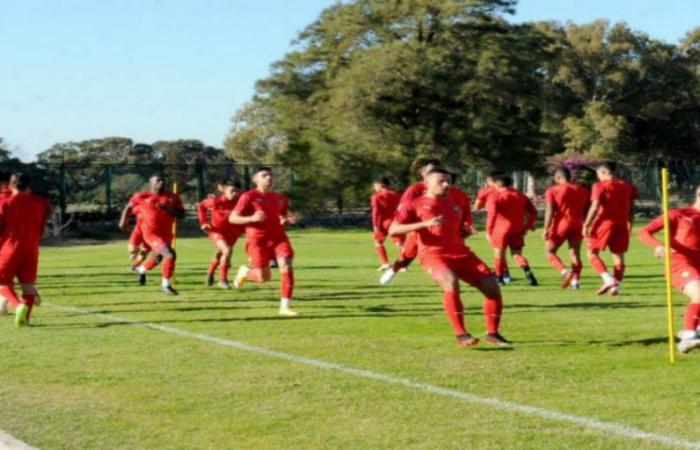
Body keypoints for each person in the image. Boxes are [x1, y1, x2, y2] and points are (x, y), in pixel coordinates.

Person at [389, 167, 509, 348]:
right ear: (427, 183)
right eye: (441, 182)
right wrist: (424, 224)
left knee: (492, 288)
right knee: (450, 283)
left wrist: (464, 232)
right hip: (433, 254)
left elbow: (454, 231)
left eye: (448, 182)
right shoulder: (413, 204)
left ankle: (492, 333)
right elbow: (393, 229)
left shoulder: (455, 203)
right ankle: (462, 335)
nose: (446, 185)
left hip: (461, 253)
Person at [381, 158, 474, 285]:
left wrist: (466, 226)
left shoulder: (457, 193)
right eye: (427, 171)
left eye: (433, 170)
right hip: (422, 229)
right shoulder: (415, 189)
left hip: (449, 231)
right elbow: (404, 209)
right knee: (407, 256)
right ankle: (394, 269)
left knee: (455, 256)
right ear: (423, 174)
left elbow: (465, 212)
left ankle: (451, 280)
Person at [638, 185, 700, 353]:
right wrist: (658, 246)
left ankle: (695, 328)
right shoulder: (678, 214)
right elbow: (644, 232)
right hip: (679, 263)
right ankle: (688, 336)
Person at [229, 167, 298, 316]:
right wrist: (251, 218)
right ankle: (245, 273)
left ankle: (285, 307)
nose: (268, 178)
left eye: (270, 175)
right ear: (255, 179)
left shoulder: (281, 198)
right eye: (264, 175)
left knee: (286, 264)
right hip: (257, 240)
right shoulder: (248, 196)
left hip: (279, 238)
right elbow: (232, 218)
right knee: (263, 278)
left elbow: (282, 217)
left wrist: (287, 220)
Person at [119, 174, 185, 295]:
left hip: (166, 234)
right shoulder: (141, 196)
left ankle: (141, 270)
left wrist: (169, 210)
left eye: (163, 180)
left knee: (159, 258)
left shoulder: (173, 197)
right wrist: (123, 220)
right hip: (151, 233)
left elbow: (182, 215)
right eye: (158, 180)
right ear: (151, 183)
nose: (162, 182)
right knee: (170, 255)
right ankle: (166, 285)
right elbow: (129, 207)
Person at [0, 174, 52, 327]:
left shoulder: (5, 203)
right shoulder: (40, 202)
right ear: (29, 186)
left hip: (10, 247)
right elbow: (48, 212)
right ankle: (25, 320)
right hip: (31, 247)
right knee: (28, 286)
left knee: (2, 282)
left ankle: (17, 306)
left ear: (10, 186)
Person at [583, 162, 637, 296]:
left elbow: (595, 206)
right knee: (618, 256)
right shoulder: (628, 186)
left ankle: (608, 279)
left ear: (604, 173)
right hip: (621, 224)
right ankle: (616, 287)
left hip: (604, 223)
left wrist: (586, 224)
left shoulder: (599, 186)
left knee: (591, 252)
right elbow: (631, 208)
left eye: (598, 175)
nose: (598, 178)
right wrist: (630, 223)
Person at [486, 174, 538, 286]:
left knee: (499, 255)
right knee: (516, 254)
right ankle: (527, 272)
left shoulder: (496, 196)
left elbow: (492, 215)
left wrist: (488, 231)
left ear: (498, 184)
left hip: (500, 229)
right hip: (517, 229)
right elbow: (533, 212)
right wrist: (526, 226)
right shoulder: (520, 195)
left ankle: (499, 279)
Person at [542, 167, 590, 289]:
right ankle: (576, 281)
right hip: (578, 223)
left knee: (549, 251)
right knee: (575, 253)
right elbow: (587, 210)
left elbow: (549, 211)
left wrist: (546, 228)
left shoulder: (552, 190)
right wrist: (586, 225)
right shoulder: (583, 191)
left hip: (561, 224)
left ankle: (565, 272)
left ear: (558, 177)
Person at [197, 179, 244, 289]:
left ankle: (210, 271)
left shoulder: (241, 202)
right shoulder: (216, 201)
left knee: (221, 254)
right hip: (217, 231)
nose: (235, 194)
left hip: (233, 232)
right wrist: (204, 222)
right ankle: (223, 280)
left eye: (237, 191)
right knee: (227, 250)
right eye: (232, 191)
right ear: (225, 190)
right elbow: (201, 206)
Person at [370, 176, 403, 271]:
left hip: (383, 222)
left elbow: (375, 211)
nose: (375, 188)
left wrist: (375, 225)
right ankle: (403, 265)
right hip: (397, 221)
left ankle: (385, 263)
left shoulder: (376, 196)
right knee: (399, 243)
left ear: (379, 186)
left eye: (375, 186)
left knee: (378, 242)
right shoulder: (397, 195)